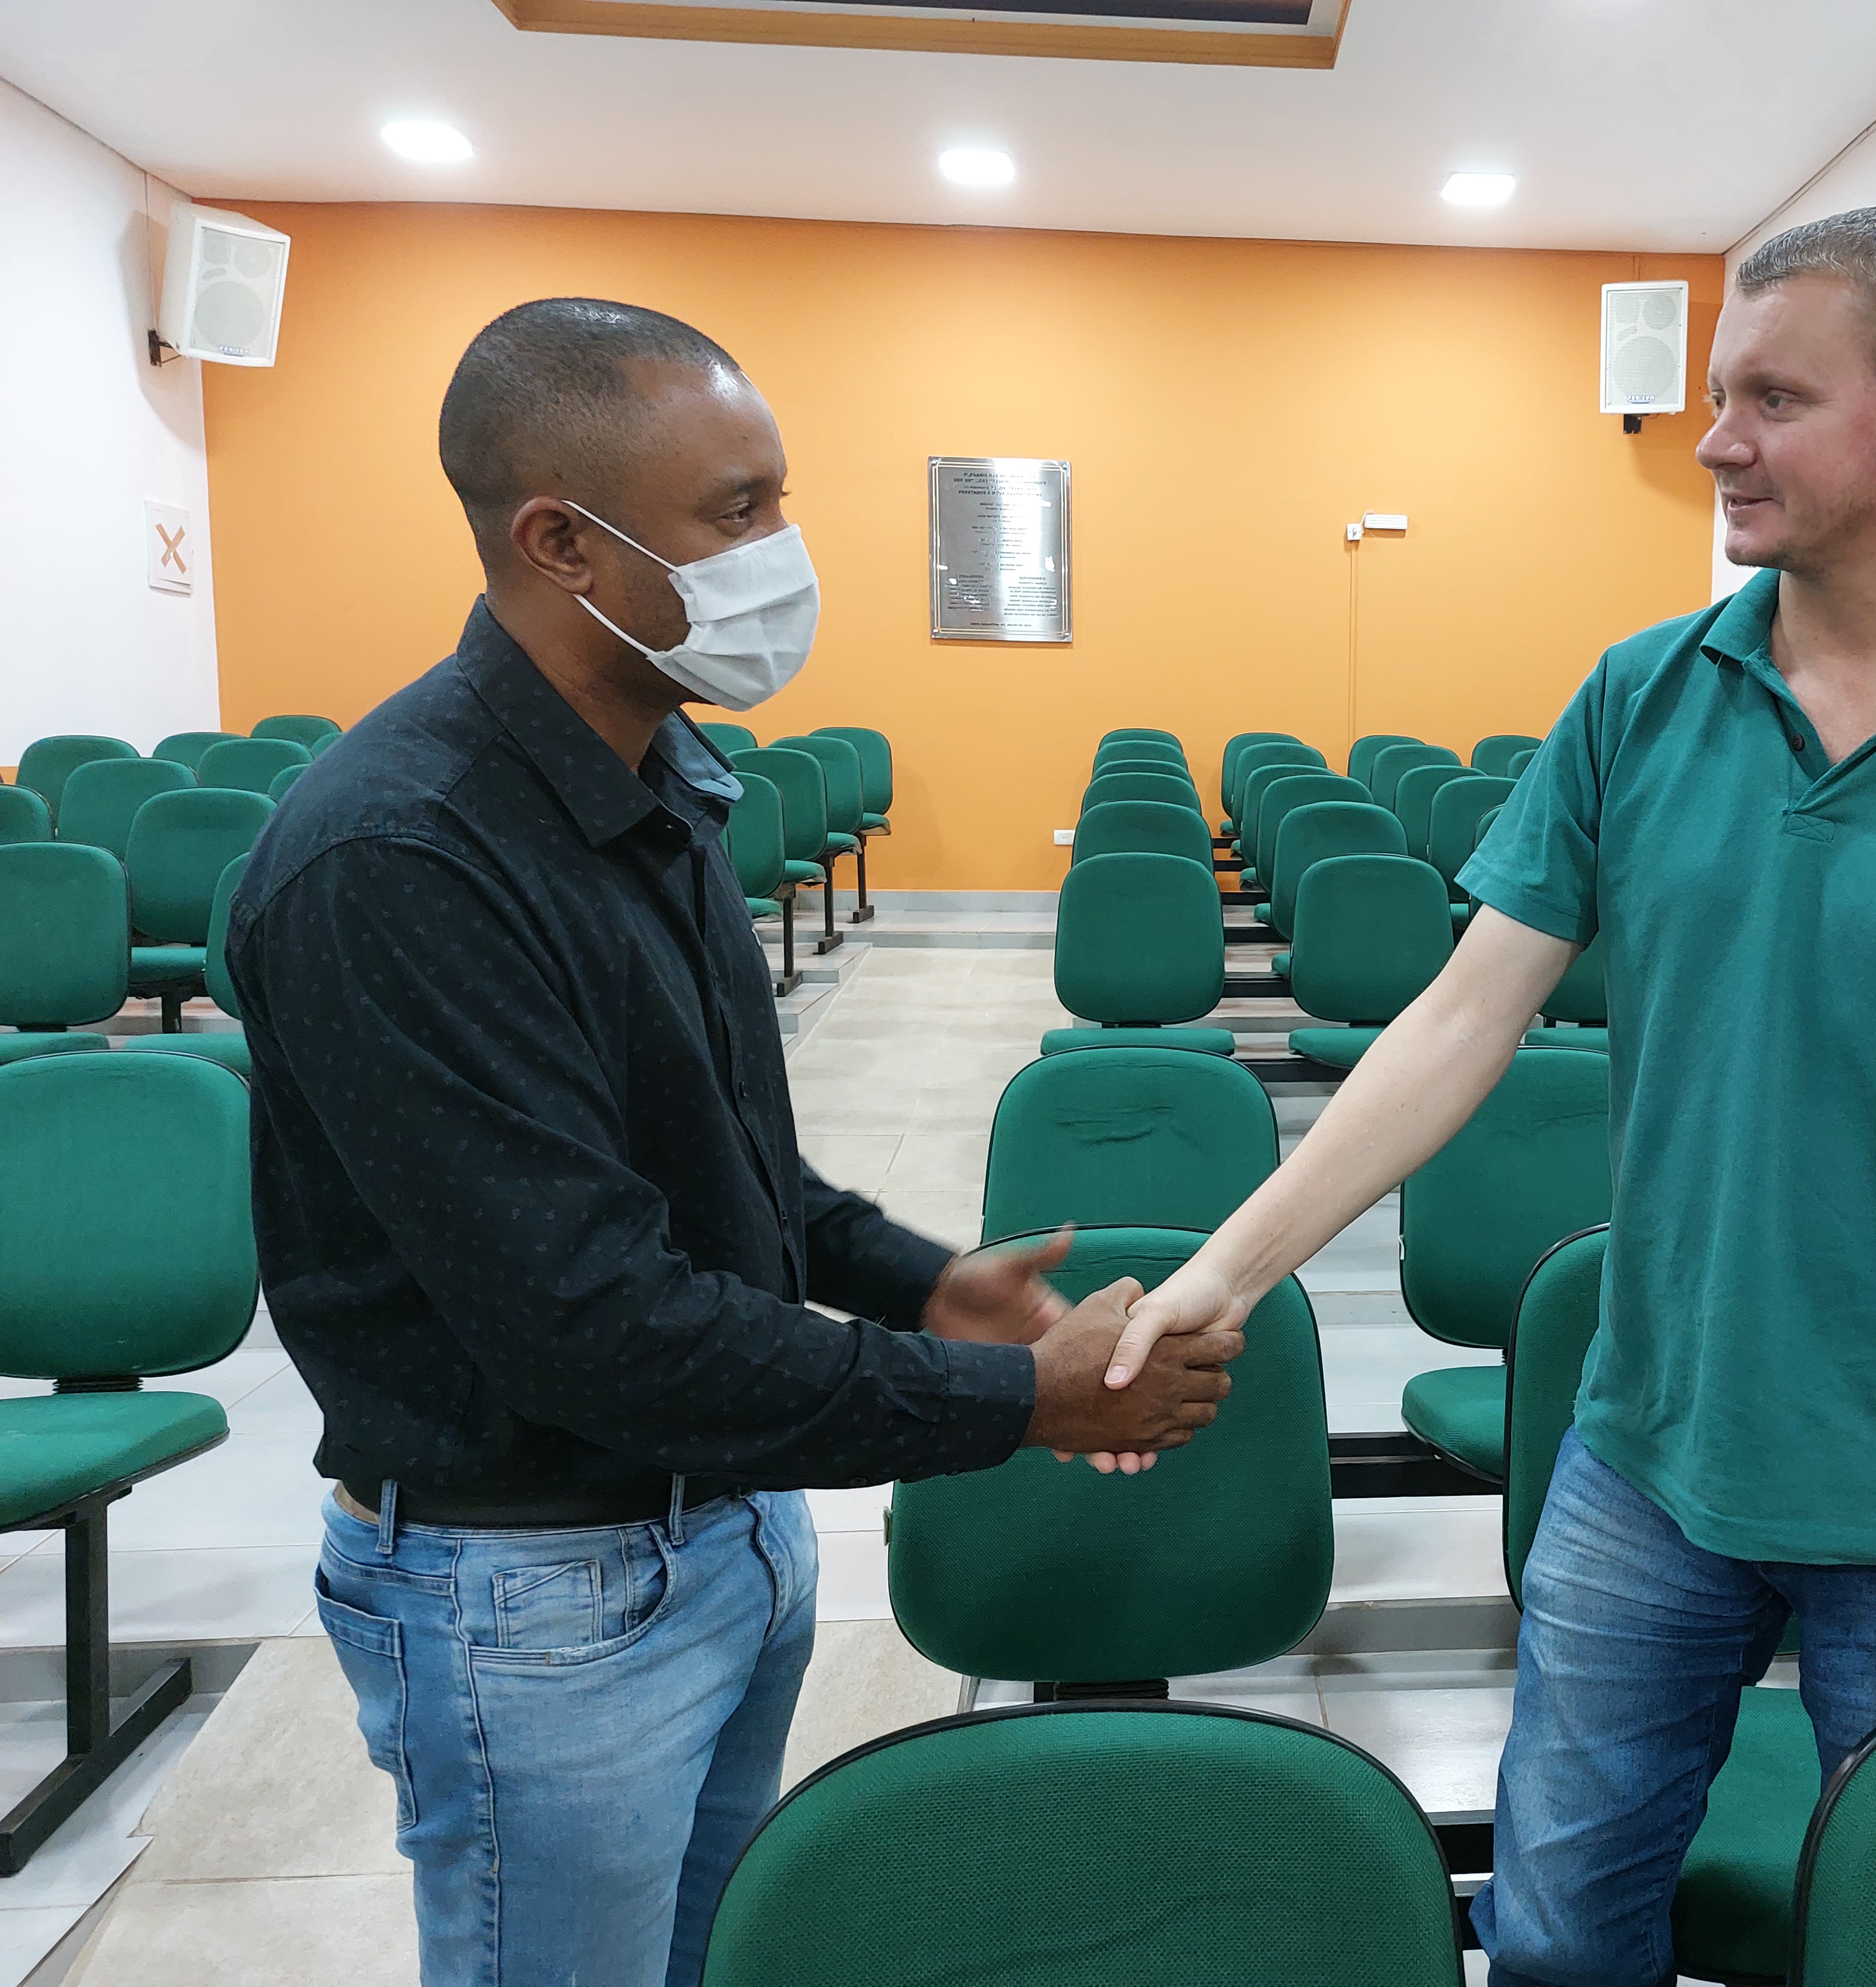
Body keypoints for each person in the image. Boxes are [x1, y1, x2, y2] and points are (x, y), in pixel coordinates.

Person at [1092, 209, 1876, 1984]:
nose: (1716, 439)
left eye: (1773, 400)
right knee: (1558, 1933)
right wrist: (1228, 1269)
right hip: (1651, 1456)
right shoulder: (1645, 695)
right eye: (1720, 393)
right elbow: (1461, 1021)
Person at [227, 298, 1240, 1987]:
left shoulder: (654, 777)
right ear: (563, 543)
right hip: (536, 1589)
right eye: (736, 511)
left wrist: (917, 1282)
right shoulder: (400, 857)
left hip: (725, 1526)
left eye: (779, 501)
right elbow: (594, 1322)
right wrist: (1019, 1403)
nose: (783, 552)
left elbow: (730, 1161)